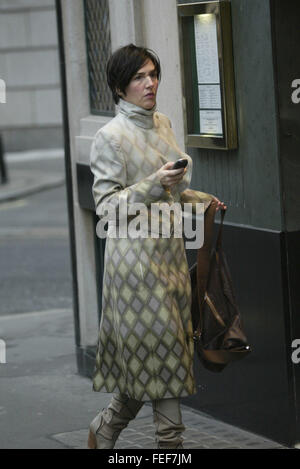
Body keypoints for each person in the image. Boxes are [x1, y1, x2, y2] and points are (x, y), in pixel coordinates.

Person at [88, 43, 227, 450]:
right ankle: (171, 445)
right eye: (138, 77)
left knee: (151, 362)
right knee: (166, 361)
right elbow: (106, 208)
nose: (150, 84)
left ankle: (105, 428)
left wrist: (200, 199)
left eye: (153, 74)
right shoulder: (109, 138)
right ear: (119, 86)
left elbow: (171, 190)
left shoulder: (163, 123)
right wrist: (153, 185)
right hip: (134, 271)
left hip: (168, 260)